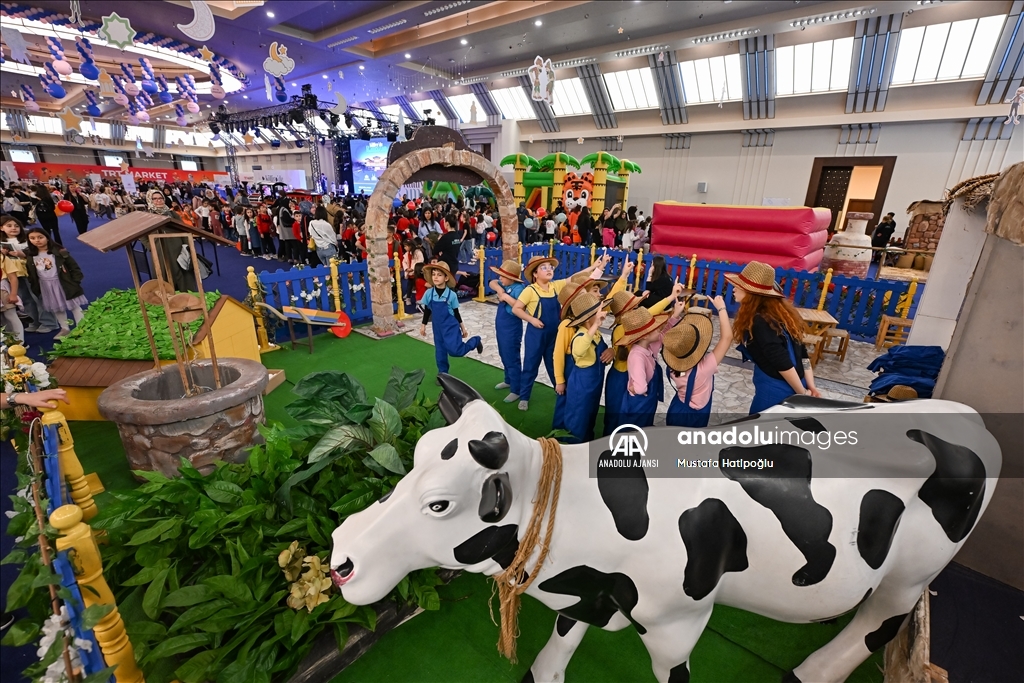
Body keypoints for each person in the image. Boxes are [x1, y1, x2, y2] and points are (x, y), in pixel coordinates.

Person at [513, 254, 608, 412]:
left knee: (554, 364)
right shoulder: (529, 290)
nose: (549, 269)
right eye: (544, 267)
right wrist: (531, 320)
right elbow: (517, 308)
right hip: (536, 334)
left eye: (550, 267)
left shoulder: (555, 286)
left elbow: (575, 278)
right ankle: (524, 397)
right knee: (530, 365)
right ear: (535, 274)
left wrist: (595, 267)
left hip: (554, 334)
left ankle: (559, 389)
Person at [726, 261, 821, 413]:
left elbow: (782, 362)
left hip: (777, 390)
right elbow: (803, 354)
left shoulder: (759, 321)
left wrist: (802, 394)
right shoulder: (782, 315)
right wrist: (810, 385)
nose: (734, 288)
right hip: (799, 381)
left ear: (751, 292)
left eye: (739, 285)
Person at [663, 296, 732, 428]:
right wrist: (722, 309)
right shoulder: (704, 368)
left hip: (677, 407)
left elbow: (667, 338)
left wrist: (675, 314)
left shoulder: (672, 365)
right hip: (695, 415)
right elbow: (727, 338)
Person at [616, 301, 686, 428]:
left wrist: (675, 314)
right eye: (656, 329)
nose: (659, 330)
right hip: (638, 404)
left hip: (646, 403)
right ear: (645, 335)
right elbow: (641, 388)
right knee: (633, 432)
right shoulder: (637, 356)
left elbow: (664, 334)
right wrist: (634, 388)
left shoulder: (647, 346)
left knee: (644, 428)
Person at [562, 291, 611, 443]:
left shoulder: (596, 334)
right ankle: (574, 447)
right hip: (581, 386)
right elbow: (578, 350)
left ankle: (586, 442)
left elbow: (600, 350)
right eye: (598, 312)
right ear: (589, 317)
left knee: (590, 415)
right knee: (578, 418)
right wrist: (595, 325)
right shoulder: (581, 335)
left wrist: (610, 352)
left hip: (594, 385)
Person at [419, 261, 483, 374]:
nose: (435, 277)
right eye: (433, 274)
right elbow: (427, 310)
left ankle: (475, 341)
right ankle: (443, 373)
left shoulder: (451, 295)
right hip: (437, 328)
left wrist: (463, 328)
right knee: (440, 352)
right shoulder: (429, 293)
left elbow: (456, 312)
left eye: (439, 275)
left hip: (450, 327)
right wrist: (423, 325)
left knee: (456, 351)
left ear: (446, 278)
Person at [24, 227, 86, 338]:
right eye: (32, 238)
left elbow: (73, 267)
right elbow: (30, 272)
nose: (37, 240)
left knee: (73, 305)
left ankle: (82, 327)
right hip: (46, 285)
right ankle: (65, 329)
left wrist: (75, 281)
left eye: (40, 237)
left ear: (47, 238)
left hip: (63, 283)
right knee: (57, 307)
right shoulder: (30, 255)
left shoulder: (59, 251)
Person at [2, 215, 58, 333]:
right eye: (9, 226)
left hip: (30, 271)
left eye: (16, 226)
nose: (13, 228)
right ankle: (34, 321)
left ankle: (49, 322)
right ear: (1, 228)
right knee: (25, 298)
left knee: (38, 296)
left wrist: (23, 254)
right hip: (12, 273)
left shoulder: (28, 238)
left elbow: (41, 251)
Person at [488, 259, 526, 403]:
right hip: (502, 328)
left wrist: (505, 297)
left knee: (512, 357)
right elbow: (492, 282)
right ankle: (508, 379)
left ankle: (516, 389)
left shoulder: (519, 289)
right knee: (503, 354)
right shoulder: (504, 285)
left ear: (511, 278)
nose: (500, 279)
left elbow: (520, 307)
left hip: (512, 328)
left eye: (502, 277)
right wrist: (499, 290)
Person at [1, 251, 24, 342]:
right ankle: (9, 340)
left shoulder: (3, 258)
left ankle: (20, 341)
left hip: (3, 290)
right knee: (2, 319)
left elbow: (13, 278)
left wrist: (13, 294)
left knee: (10, 315)